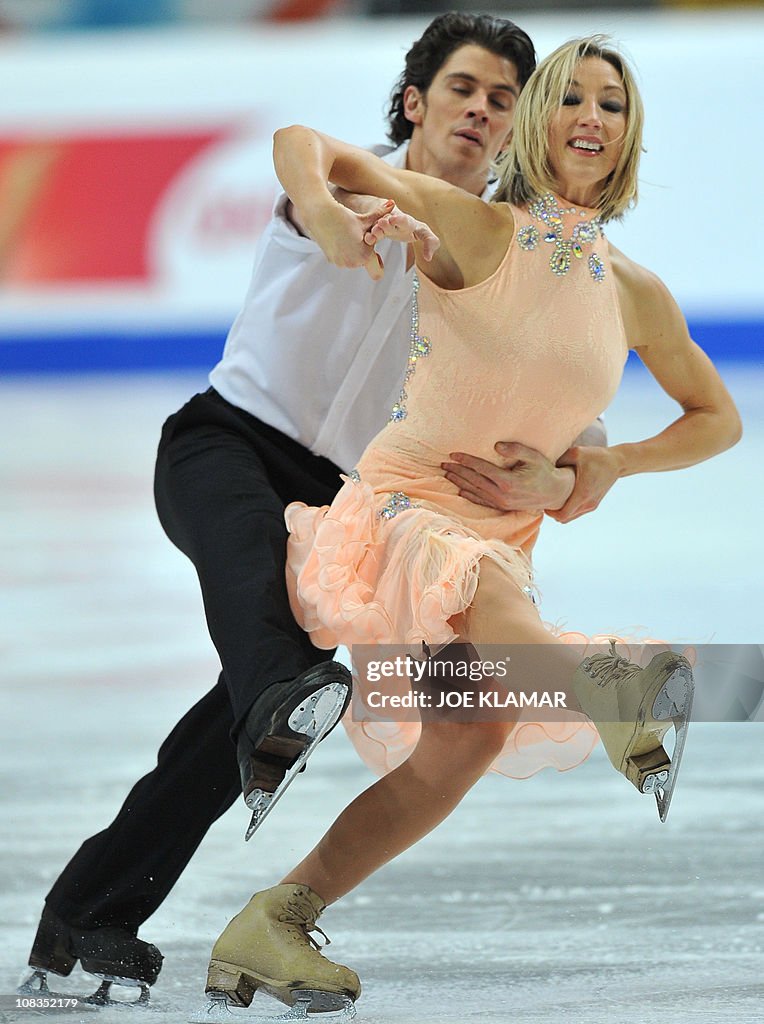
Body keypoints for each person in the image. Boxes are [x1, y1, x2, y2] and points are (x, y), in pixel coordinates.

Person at [21, 13, 609, 1005]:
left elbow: (558, 387)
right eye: (462, 87)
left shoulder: (501, 254)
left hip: (342, 499)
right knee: (260, 605)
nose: (480, 109)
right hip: (224, 445)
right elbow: (300, 156)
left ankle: (89, 914)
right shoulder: (350, 182)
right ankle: (286, 690)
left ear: (516, 129)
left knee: (233, 723)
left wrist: (572, 465)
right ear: (417, 101)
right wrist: (336, 221)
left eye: (502, 99)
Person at [204, 35, 742, 1016]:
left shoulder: (631, 291)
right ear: (535, 121)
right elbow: (304, 143)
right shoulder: (474, 224)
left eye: (610, 105)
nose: (589, 116)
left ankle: (272, 923)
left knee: (465, 741)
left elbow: (717, 417)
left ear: (628, 136)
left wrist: (600, 464)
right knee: (477, 586)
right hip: (401, 509)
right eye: (569, 97)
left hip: (502, 539)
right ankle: (607, 686)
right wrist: (325, 214)